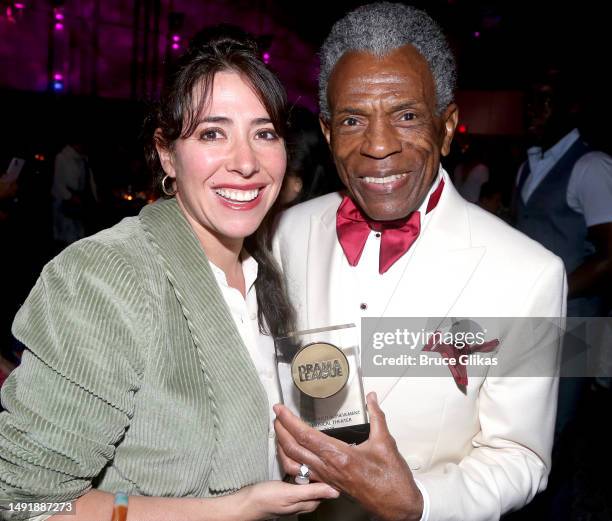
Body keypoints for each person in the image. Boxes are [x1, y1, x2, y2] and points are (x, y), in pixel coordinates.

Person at [0, 25, 338, 521]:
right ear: (166, 152)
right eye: (212, 133)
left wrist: (278, 450)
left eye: (264, 133)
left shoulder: (269, 272)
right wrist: (228, 510)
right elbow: (26, 500)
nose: (246, 162)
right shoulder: (106, 277)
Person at [272, 3, 565, 521]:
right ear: (326, 131)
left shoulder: (529, 274)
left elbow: (521, 457)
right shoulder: (284, 234)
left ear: (447, 127)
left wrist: (417, 502)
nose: (379, 146)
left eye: (406, 115)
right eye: (353, 119)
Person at [51, 137, 98, 250]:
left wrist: (94, 197)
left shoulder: (83, 159)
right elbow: (58, 183)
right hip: (64, 203)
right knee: (68, 238)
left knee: (80, 235)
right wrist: (70, 197)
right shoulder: (62, 157)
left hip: (80, 202)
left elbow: (89, 181)